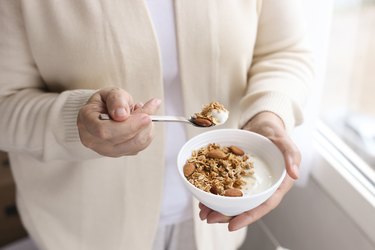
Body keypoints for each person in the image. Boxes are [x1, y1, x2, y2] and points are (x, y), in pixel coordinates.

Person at [0, 0, 313, 249]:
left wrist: (268, 117)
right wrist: (74, 123)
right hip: (83, 228)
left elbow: (284, 51)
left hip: (213, 228)